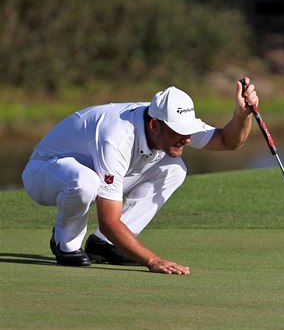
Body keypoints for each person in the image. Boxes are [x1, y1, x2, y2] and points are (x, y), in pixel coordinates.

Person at [21, 78, 258, 275]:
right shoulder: (117, 137)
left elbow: (228, 141)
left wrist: (242, 114)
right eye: (181, 132)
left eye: (188, 131)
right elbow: (109, 220)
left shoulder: (171, 122)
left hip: (94, 170)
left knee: (174, 168)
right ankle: (65, 244)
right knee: (86, 183)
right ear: (155, 126)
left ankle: (104, 244)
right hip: (44, 172)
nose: (187, 138)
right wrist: (153, 261)